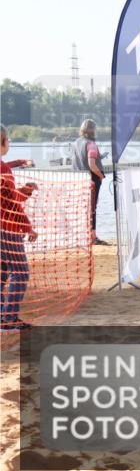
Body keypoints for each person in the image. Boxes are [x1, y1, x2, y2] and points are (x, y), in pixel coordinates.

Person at [1, 125, 38, 331]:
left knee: (3, 271)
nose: (10, 143)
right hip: (7, 229)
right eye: (9, 140)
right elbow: (12, 204)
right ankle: (8, 319)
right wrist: (28, 227)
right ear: (4, 141)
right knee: (20, 272)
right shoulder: (4, 170)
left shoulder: (4, 167)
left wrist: (19, 163)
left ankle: (2, 317)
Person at [71, 119, 106, 245]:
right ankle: (93, 237)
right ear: (93, 130)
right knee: (92, 208)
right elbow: (92, 165)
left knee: (84, 208)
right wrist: (101, 175)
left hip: (79, 178)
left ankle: (84, 235)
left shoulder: (75, 143)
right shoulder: (91, 144)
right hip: (92, 178)